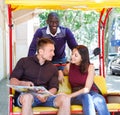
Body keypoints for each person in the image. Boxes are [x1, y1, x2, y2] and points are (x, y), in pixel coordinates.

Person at [10, 38, 70, 115]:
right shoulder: (24, 62)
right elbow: (12, 81)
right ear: (41, 51)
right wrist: (23, 83)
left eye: (53, 51)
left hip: (45, 97)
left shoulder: (53, 68)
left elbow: (54, 87)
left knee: (65, 98)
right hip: (26, 96)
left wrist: (46, 94)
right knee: (27, 97)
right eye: (50, 51)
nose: (53, 54)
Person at [28, 12, 78, 83]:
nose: (54, 24)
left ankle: (59, 72)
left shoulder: (66, 31)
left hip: (60, 61)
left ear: (59, 22)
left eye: (56, 22)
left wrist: (80, 59)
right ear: (47, 22)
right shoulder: (41, 32)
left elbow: (74, 47)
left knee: (66, 71)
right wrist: (30, 62)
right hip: (46, 60)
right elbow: (33, 48)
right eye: (51, 22)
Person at [64, 45, 110, 115]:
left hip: (92, 92)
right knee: (86, 97)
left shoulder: (90, 67)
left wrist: (69, 96)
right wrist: (60, 73)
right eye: (72, 54)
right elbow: (62, 72)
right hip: (76, 95)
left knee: (99, 99)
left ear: (82, 58)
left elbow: (87, 89)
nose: (72, 57)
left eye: (76, 55)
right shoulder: (68, 67)